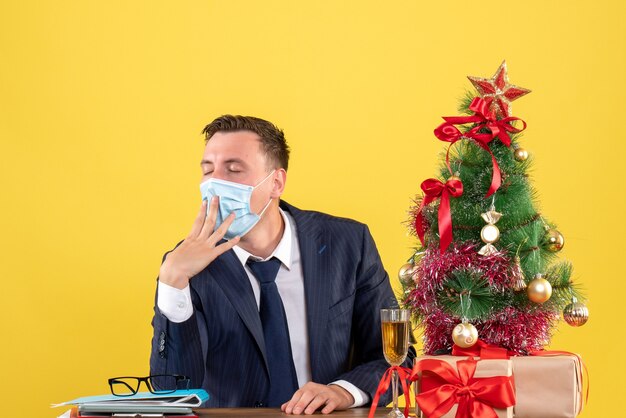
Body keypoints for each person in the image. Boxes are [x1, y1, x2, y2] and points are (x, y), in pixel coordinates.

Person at [150, 115, 413, 414]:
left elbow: (399, 358)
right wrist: (173, 281)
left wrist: (343, 391)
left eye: (233, 170)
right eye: (208, 170)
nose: (215, 183)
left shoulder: (349, 243)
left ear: (276, 182)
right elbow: (172, 390)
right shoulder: (187, 266)